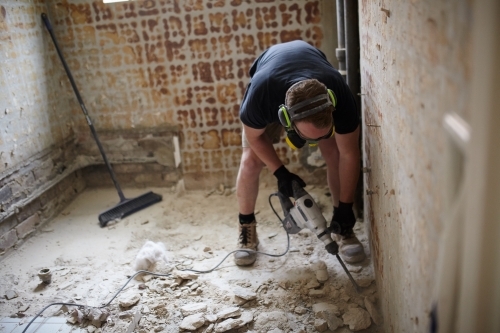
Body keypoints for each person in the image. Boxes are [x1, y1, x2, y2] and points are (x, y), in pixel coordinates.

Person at [234, 40, 366, 266]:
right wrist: (280, 173)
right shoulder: (261, 94)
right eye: (308, 136)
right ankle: (246, 228)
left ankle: (343, 228)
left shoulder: (341, 97)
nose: (313, 142)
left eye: (321, 134)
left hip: (313, 77)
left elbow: (349, 155)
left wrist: (346, 207)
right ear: (286, 120)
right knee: (251, 161)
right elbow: (256, 138)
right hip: (272, 84)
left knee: (333, 152)